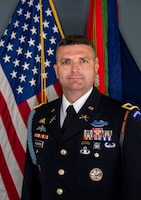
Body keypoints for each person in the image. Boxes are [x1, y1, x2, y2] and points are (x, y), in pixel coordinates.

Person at [21, 34, 141, 200]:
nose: (74, 69)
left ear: (96, 66)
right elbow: (31, 188)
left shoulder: (123, 118)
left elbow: (136, 190)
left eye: (83, 61)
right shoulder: (39, 116)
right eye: (66, 62)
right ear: (56, 70)